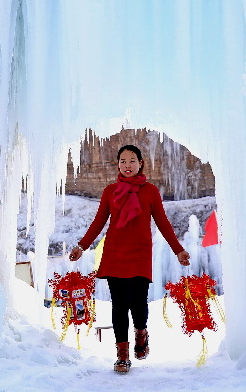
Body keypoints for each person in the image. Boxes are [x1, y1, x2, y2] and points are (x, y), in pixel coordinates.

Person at [68, 144, 190, 373]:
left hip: (140, 252)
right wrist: (82, 246)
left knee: (138, 303)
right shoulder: (109, 191)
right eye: (123, 161)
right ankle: (122, 355)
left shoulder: (151, 191)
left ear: (141, 163)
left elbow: (162, 222)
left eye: (132, 160)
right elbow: (99, 222)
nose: (127, 165)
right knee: (119, 305)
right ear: (118, 164)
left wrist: (178, 250)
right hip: (115, 252)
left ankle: (141, 333)